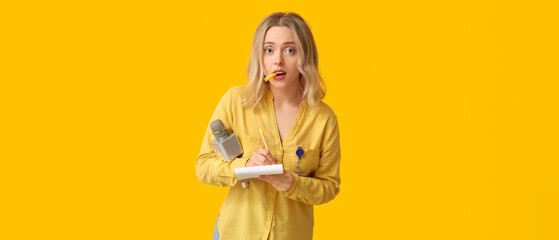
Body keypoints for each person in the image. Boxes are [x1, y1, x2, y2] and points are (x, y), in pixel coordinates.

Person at [196, 12, 341, 240]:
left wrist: (294, 183)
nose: (278, 61)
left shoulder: (324, 119)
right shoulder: (235, 101)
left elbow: (329, 187)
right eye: (269, 50)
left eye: (290, 50)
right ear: (259, 56)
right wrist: (245, 168)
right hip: (234, 233)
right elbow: (203, 167)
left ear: (305, 56)